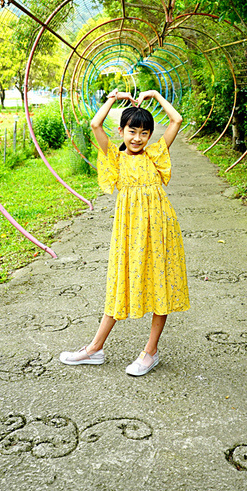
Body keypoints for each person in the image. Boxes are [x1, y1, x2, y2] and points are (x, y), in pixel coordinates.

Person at [59, 89, 188, 376]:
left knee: (160, 284)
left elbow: (177, 120)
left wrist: (155, 94)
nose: (138, 138)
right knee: (120, 284)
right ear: (121, 131)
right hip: (129, 231)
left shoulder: (155, 154)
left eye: (144, 132)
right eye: (132, 131)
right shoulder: (114, 159)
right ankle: (94, 348)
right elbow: (95, 125)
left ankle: (150, 352)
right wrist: (114, 100)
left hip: (161, 228)